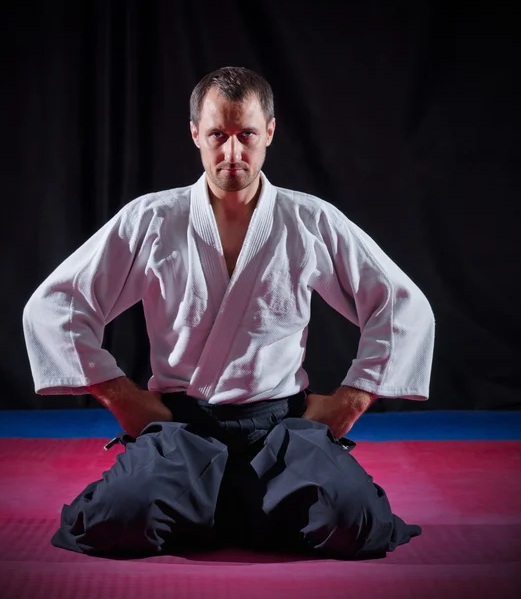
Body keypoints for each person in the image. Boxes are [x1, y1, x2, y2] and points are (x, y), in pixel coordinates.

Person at [23, 66, 435, 559]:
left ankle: (215, 509)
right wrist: (120, 395)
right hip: (181, 430)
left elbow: (403, 306)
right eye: (218, 134)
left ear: (271, 133)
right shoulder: (153, 218)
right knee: (112, 522)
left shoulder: (309, 220)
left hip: (280, 434)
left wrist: (353, 398)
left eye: (247, 135)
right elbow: (56, 306)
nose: (233, 153)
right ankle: (234, 508)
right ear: (196, 132)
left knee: (355, 522)